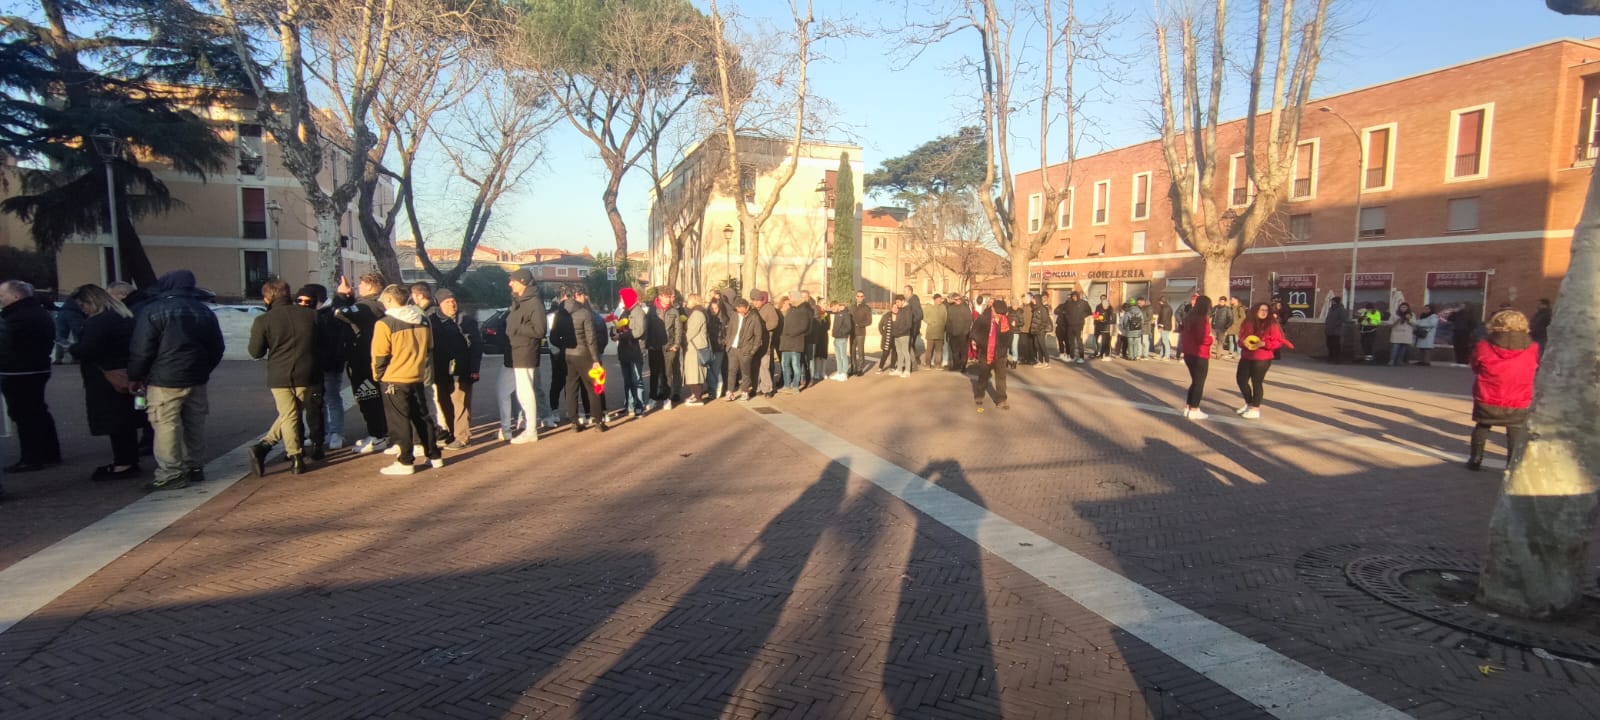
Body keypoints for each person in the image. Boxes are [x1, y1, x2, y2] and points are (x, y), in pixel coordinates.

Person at [127, 270, 225, 490]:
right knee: (194, 424)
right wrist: (204, 369)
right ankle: (195, 466)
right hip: (197, 377)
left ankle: (171, 473)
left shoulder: (153, 310)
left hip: (164, 378)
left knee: (166, 424)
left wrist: (135, 376)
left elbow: (142, 349)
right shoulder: (205, 311)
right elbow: (217, 347)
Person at [246, 278, 323, 476]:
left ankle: (294, 455)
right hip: (307, 371)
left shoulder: (263, 320)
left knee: (288, 414)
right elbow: (322, 343)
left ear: (267, 298)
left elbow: (255, 352)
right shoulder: (312, 316)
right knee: (292, 413)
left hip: (279, 373)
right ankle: (265, 447)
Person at [67, 284, 142, 479]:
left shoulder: (98, 321)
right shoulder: (123, 317)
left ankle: (123, 463)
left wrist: (74, 349)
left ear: (91, 302)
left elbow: (88, 349)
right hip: (125, 372)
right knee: (126, 420)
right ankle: (128, 460)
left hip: (105, 378)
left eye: (83, 305)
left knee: (114, 421)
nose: (82, 309)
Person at [371, 284, 440, 475]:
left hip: (394, 377)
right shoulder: (423, 321)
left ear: (391, 300)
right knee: (422, 417)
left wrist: (379, 375)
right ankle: (434, 455)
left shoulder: (384, 323)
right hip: (417, 375)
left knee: (399, 421)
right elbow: (430, 347)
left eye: (385, 301)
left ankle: (405, 460)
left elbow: (379, 354)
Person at [0, 280, 62, 473]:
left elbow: (7, 343)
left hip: (19, 371)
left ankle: (31, 457)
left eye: (3, 295)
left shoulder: (17, 317)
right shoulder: (38, 312)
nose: (1, 299)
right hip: (35, 368)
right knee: (37, 411)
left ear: (16, 296)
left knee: (24, 414)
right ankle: (49, 452)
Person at [1467, 309, 1539, 472]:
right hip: (1519, 397)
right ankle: (1512, 464)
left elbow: (1475, 366)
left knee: (1482, 426)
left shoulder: (1483, 346)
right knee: (1514, 430)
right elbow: (1535, 367)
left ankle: (1475, 459)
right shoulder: (1533, 347)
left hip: (1488, 395)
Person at [334, 272, 389, 453]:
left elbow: (339, 313)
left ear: (371, 287)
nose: (358, 288)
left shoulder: (369, 306)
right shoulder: (378, 305)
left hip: (364, 360)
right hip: (371, 358)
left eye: (362, 285)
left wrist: (341, 296)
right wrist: (350, 300)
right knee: (374, 398)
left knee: (368, 397)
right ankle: (381, 433)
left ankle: (378, 435)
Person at [298, 284, 350, 450]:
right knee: (318, 400)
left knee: (332, 398)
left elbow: (336, 340)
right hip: (316, 364)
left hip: (331, 363)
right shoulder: (316, 314)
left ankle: (336, 432)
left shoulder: (332, 313)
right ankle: (325, 431)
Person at [501, 269, 548, 444]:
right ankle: (529, 428)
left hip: (526, 350)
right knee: (522, 391)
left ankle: (531, 430)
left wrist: (516, 328)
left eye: (513, 281)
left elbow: (540, 330)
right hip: (517, 350)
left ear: (523, 281)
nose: (510, 284)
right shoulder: (519, 301)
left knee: (526, 391)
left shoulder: (534, 302)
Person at [433, 289, 480, 449]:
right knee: (443, 402)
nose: (452, 304)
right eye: (447, 302)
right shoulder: (432, 320)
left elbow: (476, 346)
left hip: (462, 370)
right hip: (440, 371)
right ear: (439, 304)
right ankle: (452, 433)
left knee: (460, 403)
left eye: (453, 301)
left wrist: (474, 368)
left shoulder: (467, 320)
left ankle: (462, 437)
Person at [1234, 302, 1293, 419]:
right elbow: (1240, 338)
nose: (1264, 312)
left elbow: (1277, 342)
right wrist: (1243, 343)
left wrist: (1264, 343)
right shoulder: (1247, 323)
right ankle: (1249, 403)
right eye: (1261, 310)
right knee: (1241, 380)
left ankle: (1255, 408)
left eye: (1266, 310)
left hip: (1262, 357)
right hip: (1247, 356)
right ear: (1255, 310)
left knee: (1257, 382)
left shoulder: (1272, 325)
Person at [563, 287, 609, 432]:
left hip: (569, 354)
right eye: (583, 295)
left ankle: (574, 422)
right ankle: (598, 421)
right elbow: (591, 339)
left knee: (571, 387)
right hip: (584, 353)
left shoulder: (562, 313)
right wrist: (595, 359)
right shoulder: (584, 313)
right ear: (578, 295)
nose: (585, 298)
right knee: (593, 387)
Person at [971, 296, 1011, 410]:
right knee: (983, 375)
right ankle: (979, 395)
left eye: (1001, 314)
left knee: (1001, 378)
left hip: (1000, 354)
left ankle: (1002, 399)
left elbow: (1008, 337)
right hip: (986, 352)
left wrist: (1004, 348)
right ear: (993, 309)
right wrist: (981, 343)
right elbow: (975, 332)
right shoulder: (984, 319)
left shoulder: (1005, 322)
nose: (998, 316)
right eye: (997, 313)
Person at [1179, 295, 1215, 419]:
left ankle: (1188, 407)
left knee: (1195, 382)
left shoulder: (1189, 317)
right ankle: (1194, 409)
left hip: (1189, 353)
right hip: (1200, 354)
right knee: (1199, 382)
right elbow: (1202, 338)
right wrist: (1211, 339)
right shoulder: (1202, 319)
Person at [616, 287, 650, 416]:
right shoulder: (624, 312)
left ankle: (639, 405)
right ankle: (629, 405)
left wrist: (621, 336)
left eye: (622, 298)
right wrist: (615, 331)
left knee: (637, 379)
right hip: (624, 350)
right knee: (627, 380)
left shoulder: (639, 312)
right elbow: (619, 327)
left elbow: (638, 332)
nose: (621, 300)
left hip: (635, 350)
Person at [727, 299, 765, 400]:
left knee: (745, 372)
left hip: (746, 349)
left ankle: (745, 391)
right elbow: (729, 330)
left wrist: (753, 350)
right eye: (736, 308)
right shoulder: (734, 316)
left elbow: (758, 335)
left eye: (739, 308)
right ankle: (730, 392)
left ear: (745, 307)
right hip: (733, 348)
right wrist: (728, 344)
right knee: (732, 371)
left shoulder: (754, 317)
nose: (737, 310)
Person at [779, 291, 812, 392]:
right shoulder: (791, 309)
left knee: (795, 365)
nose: (789, 300)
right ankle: (787, 385)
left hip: (796, 341)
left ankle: (795, 386)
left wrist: (791, 333)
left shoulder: (804, 309)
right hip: (786, 342)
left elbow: (804, 326)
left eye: (790, 297)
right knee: (784, 364)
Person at [658, 289, 685, 408]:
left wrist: (677, 344)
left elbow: (679, 329)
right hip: (659, 345)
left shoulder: (675, 311)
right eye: (667, 296)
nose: (670, 299)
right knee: (662, 370)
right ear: (661, 297)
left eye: (671, 296)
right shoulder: (655, 311)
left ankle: (674, 393)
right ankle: (662, 390)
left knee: (672, 370)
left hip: (671, 345)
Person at [683, 294, 710, 405]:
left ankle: (698, 397)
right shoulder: (699, 312)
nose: (686, 302)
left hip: (695, 348)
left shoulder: (697, 314)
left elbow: (691, 332)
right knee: (694, 372)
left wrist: (682, 337)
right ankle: (695, 394)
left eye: (688, 300)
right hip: (696, 346)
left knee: (694, 372)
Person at [753, 291, 781, 396]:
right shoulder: (754, 310)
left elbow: (774, 322)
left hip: (765, 342)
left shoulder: (769, 308)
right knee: (757, 366)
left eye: (756, 300)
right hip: (755, 342)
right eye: (753, 300)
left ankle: (768, 388)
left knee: (764, 366)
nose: (754, 302)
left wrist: (762, 329)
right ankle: (759, 387)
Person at [705, 295, 727, 399]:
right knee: (709, 369)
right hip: (709, 347)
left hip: (719, 347)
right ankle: (712, 388)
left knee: (716, 369)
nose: (713, 310)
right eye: (711, 308)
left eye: (716, 308)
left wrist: (723, 342)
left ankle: (716, 388)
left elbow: (726, 334)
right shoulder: (707, 317)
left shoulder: (724, 319)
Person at [946, 294, 972, 373]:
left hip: (963, 334)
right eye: (955, 299)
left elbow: (969, 320)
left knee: (963, 350)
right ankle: (956, 365)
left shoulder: (965, 309)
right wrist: (949, 331)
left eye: (958, 299)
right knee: (955, 350)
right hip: (953, 333)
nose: (957, 301)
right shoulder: (951, 309)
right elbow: (948, 322)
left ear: (960, 300)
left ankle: (963, 365)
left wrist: (966, 331)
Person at [891, 294, 916, 377]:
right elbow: (895, 322)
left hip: (904, 335)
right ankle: (899, 369)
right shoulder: (899, 309)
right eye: (896, 302)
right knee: (899, 352)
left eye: (898, 302)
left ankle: (907, 370)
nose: (897, 304)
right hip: (897, 335)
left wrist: (900, 332)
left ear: (903, 301)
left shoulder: (907, 309)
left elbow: (909, 325)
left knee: (905, 352)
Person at [828, 300, 853, 380]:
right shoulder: (837, 314)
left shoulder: (845, 314)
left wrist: (841, 333)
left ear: (837, 305)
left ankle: (844, 373)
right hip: (836, 338)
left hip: (842, 338)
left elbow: (848, 327)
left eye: (833, 308)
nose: (832, 310)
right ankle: (839, 372)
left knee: (843, 356)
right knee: (838, 357)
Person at [850, 291, 872, 375]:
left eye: (861, 296)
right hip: (852, 332)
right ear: (856, 297)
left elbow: (869, 321)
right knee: (852, 351)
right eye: (858, 296)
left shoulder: (866, 308)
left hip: (861, 332)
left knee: (860, 351)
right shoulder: (852, 307)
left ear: (864, 297)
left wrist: (860, 325)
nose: (859, 297)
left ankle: (860, 369)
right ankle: (853, 368)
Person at [922, 294, 948, 369]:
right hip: (931, 331)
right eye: (938, 299)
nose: (940, 300)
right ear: (934, 299)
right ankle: (927, 364)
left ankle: (938, 364)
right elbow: (923, 316)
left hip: (940, 332)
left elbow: (945, 318)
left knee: (939, 350)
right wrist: (929, 322)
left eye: (940, 299)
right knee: (929, 350)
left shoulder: (943, 307)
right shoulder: (928, 306)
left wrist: (943, 326)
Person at [1387, 302, 1416, 366]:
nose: (1403, 308)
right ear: (1399, 308)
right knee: (1395, 346)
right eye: (1402, 307)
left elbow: (1414, 323)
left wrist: (1409, 319)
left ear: (1408, 308)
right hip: (1397, 332)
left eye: (1405, 307)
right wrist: (1396, 321)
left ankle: (1399, 360)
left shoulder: (1411, 314)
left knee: (1403, 347)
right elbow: (1389, 323)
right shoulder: (1395, 314)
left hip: (1406, 333)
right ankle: (1392, 360)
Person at [1028, 294, 1052, 367]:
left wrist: (1039, 328)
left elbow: (1044, 321)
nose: (1033, 301)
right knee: (1037, 345)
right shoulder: (1035, 308)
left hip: (1041, 331)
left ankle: (1047, 361)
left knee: (1042, 345)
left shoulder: (1043, 309)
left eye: (1034, 299)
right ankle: (1040, 361)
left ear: (1037, 300)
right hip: (1035, 331)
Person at [902, 285, 923, 369]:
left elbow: (919, 315)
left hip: (911, 328)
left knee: (909, 346)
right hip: (909, 328)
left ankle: (913, 365)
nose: (904, 293)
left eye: (905, 291)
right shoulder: (909, 300)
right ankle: (911, 363)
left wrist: (910, 323)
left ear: (910, 291)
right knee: (909, 346)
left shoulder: (913, 300)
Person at [1324, 296, 1347, 363]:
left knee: (1336, 345)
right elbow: (1328, 318)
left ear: (1336, 302)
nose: (1332, 302)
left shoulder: (1341, 309)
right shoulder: (1331, 309)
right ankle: (1330, 357)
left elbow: (1343, 319)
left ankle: (1336, 358)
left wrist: (1335, 324)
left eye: (1333, 301)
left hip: (1336, 331)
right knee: (1329, 344)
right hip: (1329, 330)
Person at [1209, 296, 1232, 360]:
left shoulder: (1228, 309)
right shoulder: (1215, 308)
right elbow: (1210, 314)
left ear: (1225, 302)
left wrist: (1226, 326)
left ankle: (1218, 355)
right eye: (1220, 301)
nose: (1221, 302)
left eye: (1222, 301)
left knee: (1220, 342)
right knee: (1211, 341)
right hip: (1214, 327)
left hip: (1222, 328)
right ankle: (1208, 353)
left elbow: (1231, 319)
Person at [1091, 296, 1114, 361]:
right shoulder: (1098, 307)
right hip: (1098, 326)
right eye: (1103, 306)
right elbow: (1095, 316)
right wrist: (1097, 319)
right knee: (1095, 339)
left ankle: (1106, 354)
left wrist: (1105, 321)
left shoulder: (1110, 308)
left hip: (1106, 327)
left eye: (1105, 306)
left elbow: (1113, 319)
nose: (1104, 307)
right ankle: (1097, 352)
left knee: (1105, 341)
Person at [877, 301, 897, 373]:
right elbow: (880, 326)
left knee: (895, 353)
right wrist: (883, 334)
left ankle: (892, 367)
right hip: (887, 337)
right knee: (885, 353)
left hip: (896, 338)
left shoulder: (900, 315)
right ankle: (880, 367)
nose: (895, 309)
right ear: (891, 308)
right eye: (894, 307)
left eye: (896, 307)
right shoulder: (886, 315)